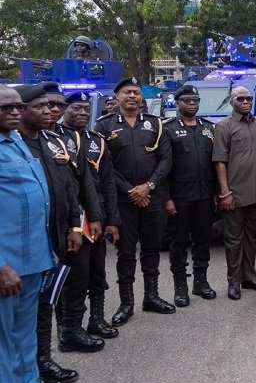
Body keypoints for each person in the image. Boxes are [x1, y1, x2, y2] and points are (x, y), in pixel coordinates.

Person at [16, 84, 82, 383]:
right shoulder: (15, 147)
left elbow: (67, 187)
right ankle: (30, 371)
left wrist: (74, 226)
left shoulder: (54, 142)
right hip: (27, 241)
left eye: (51, 105)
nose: (50, 111)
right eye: (40, 106)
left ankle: (43, 359)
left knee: (45, 302)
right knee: (23, 312)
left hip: (57, 234)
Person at [94, 77, 175, 325]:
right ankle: (126, 303)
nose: (132, 96)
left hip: (152, 196)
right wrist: (131, 190)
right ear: (117, 97)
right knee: (126, 253)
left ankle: (151, 296)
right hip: (122, 200)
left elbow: (166, 161)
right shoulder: (104, 126)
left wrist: (147, 186)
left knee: (151, 249)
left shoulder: (156, 124)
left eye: (136, 93)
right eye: (127, 92)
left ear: (142, 98)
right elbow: (103, 166)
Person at [0, 85, 61, 383]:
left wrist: (45, 245)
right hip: (6, 265)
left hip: (34, 258)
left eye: (17, 107)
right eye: (5, 108)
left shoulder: (17, 143)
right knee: (3, 338)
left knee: (25, 333)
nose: (13, 113)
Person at [60, 92, 120, 343]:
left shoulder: (97, 140)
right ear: (65, 109)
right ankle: (69, 328)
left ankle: (96, 319)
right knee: (75, 274)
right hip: (71, 216)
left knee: (97, 270)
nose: (83, 113)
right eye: (77, 108)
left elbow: (107, 182)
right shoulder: (56, 138)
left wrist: (112, 219)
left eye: (86, 108)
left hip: (97, 214)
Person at [212, 86, 256, 300]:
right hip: (235, 192)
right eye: (240, 98)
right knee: (233, 239)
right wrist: (224, 193)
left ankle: (249, 277)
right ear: (232, 101)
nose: (245, 101)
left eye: (248, 98)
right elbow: (219, 161)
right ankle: (234, 281)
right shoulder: (224, 126)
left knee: (252, 238)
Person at [163, 85, 217, 306]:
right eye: (187, 100)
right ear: (177, 103)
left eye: (196, 100)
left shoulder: (208, 128)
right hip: (180, 197)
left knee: (203, 241)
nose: (192, 104)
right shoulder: (168, 129)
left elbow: (215, 164)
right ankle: (180, 287)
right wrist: (167, 198)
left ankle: (200, 282)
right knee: (178, 243)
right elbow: (163, 167)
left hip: (204, 195)